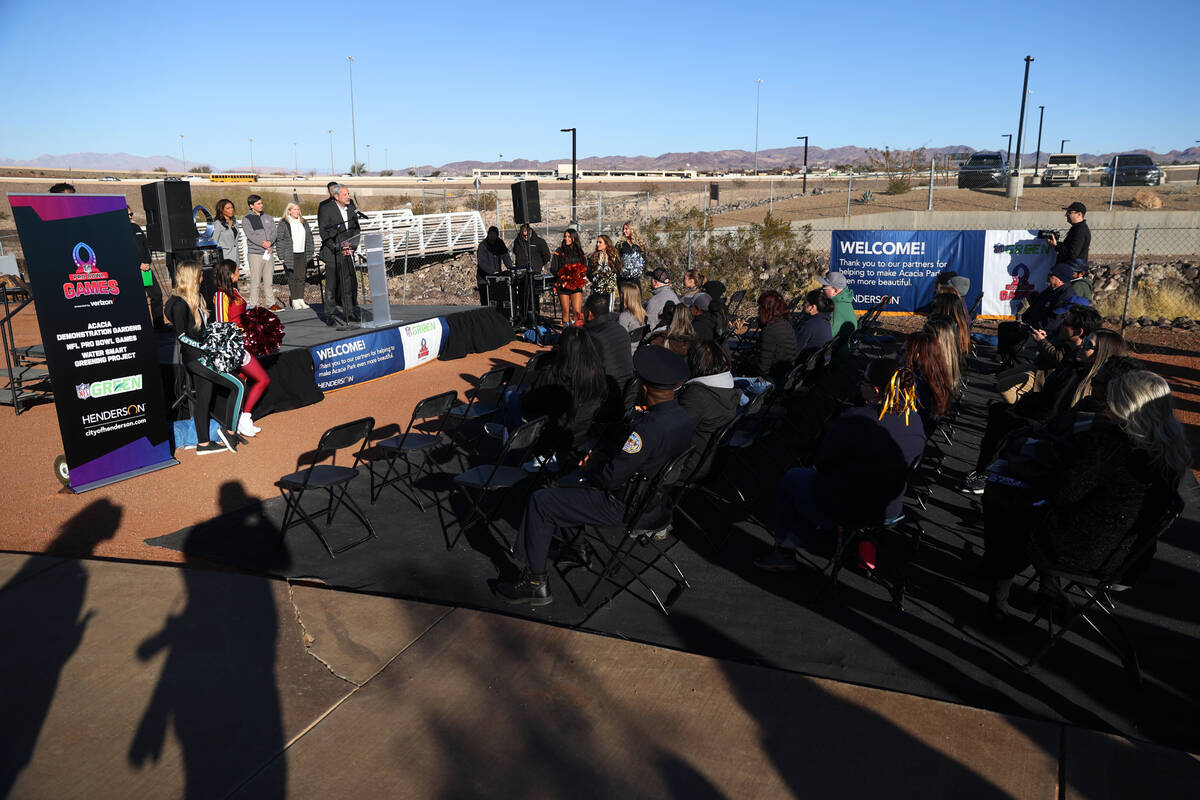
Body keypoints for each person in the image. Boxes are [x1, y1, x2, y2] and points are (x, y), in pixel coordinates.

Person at [982, 370, 1188, 620]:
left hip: (1086, 553)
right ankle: (1048, 593)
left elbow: (1062, 493)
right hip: (1129, 556)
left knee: (1004, 503)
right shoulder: (1171, 450)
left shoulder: (1111, 444)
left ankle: (998, 601)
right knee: (1047, 514)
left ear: (1125, 404)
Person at [495, 347, 694, 605]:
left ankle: (535, 582)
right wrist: (599, 460)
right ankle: (575, 548)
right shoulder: (682, 418)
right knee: (565, 484)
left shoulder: (648, 430)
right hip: (657, 502)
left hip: (625, 506)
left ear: (644, 387)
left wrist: (591, 467)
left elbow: (610, 479)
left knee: (541, 501)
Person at [755, 359, 926, 571]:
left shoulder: (855, 420)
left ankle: (784, 550)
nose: (859, 385)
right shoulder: (915, 421)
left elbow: (822, 463)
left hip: (848, 506)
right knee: (819, 483)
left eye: (863, 381)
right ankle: (800, 540)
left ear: (874, 390)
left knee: (795, 478)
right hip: (889, 508)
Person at [964, 328, 1130, 493]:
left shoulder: (1092, 383)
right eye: (1085, 341)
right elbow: (1048, 396)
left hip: (1051, 427)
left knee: (1007, 423)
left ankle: (990, 475)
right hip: (1042, 413)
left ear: (1102, 353)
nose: (1082, 345)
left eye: (1088, 345)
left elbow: (1058, 411)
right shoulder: (1072, 365)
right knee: (999, 412)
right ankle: (985, 471)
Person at [164, 262, 242, 455]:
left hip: (202, 356)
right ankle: (229, 431)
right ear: (191, 277)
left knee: (204, 399)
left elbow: (201, 329)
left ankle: (203, 444)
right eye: (199, 276)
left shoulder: (195, 298)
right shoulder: (179, 303)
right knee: (238, 385)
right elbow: (182, 336)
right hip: (196, 359)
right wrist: (205, 347)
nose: (202, 279)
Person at [521, 327, 608, 461]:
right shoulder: (598, 375)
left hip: (550, 439)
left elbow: (530, 405)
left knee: (511, 397)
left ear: (562, 349)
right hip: (581, 438)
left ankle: (511, 451)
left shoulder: (552, 375)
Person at [212, 260, 270, 437]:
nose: (239, 273)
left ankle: (238, 420)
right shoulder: (221, 295)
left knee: (242, 383)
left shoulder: (234, 292)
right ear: (229, 274)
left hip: (245, 343)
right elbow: (222, 324)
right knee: (263, 380)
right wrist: (233, 346)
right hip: (236, 347)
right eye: (237, 271)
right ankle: (245, 418)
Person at [677, 339, 740, 479]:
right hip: (713, 461)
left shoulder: (697, 395)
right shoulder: (729, 388)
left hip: (691, 465)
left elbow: (674, 434)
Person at [995, 263, 1078, 367]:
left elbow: (1054, 322)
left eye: (1052, 274)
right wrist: (1024, 322)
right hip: (1032, 325)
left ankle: (1016, 367)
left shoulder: (1065, 295)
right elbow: (1034, 308)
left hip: (1044, 332)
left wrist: (1033, 328)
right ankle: (1005, 362)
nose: (1048, 275)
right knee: (1004, 327)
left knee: (1017, 342)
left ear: (1060, 280)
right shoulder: (1050, 290)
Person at [582, 292, 637, 413]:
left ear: (588, 314)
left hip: (605, 401)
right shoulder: (620, 329)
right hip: (626, 394)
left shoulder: (592, 337)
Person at [317, 185, 361, 325]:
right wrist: (336, 247)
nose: (348, 196)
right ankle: (329, 315)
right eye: (345, 194)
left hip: (347, 252)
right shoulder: (326, 209)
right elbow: (324, 231)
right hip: (332, 252)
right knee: (331, 285)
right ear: (336, 196)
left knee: (346, 285)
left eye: (348, 193)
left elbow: (356, 229)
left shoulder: (352, 208)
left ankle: (349, 312)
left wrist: (352, 247)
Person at [904, 330, 953, 428]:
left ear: (917, 355)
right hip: (925, 428)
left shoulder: (914, 382)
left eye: (904, 351)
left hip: (911, 427)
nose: (901, 354)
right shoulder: (937, 374)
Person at [240, 194, 279, 310]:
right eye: (258, 204)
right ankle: (254, 305)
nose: (261, 205)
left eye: (262, 203)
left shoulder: (268, 217)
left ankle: (271, 303)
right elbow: (250, 235)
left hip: (268, 252)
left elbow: (274, 232)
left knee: (268, 280)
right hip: (255, 253)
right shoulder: (247, 219)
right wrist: (264, 244)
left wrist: (270, 243)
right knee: (255, 281)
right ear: (252, 206)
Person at [274, 202, 314, 309]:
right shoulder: (284, 223)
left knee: (301, 276)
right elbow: (280, 240)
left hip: (302, 253)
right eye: (294, 209)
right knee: (292, 277)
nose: (297, 212)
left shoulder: (303, 222)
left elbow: (309, 237)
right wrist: (281, 255)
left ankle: (301, 299)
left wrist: (311, 251)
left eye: (298, 209)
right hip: (290, 254)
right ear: (289, 211)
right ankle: (295, 300)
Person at [753, 290, 798, 385]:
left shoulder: (769, 331)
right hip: (786, 373)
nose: (758, 310)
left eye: (760, 307)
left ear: (766, 309)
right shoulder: (786, 324)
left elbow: (763, 368)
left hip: (773, 380)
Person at [129, 206, 163, 329]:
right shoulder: (118, 230)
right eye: (127, 214)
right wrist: (138, 264)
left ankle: (159, 325)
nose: (130, 216)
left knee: (157, 295)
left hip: (146, 269)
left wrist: (148, 262)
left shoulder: (136, 228)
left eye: (131, 213)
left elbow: (146, 246)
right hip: (132, 270)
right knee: (137, 300)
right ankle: (141, 327)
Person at [550, 229, 588, 326]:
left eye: (569, 236)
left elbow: (584, 266)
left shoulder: (579, 251)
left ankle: (576, 333)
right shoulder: (559, 251)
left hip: (576, 285)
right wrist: (562, 275)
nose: (566, 239)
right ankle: (566, 332)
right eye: (565, 236)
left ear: (574, 237)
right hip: (563, 286)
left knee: (577, 311)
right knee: (565, 311)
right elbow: (553, 268)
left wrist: (579, 275)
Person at [819, 271, 857, 350]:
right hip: (843, 348)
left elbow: (828, 335)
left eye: (824, 287)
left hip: (837, 354)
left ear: (835, 291)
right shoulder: (844, 301)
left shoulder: (836, 307)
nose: (822, 290)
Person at [476, 226, 513, 307]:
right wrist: (492, 272)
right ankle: (485, 316)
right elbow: (482, 262)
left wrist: (511, 268)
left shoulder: (500, 243)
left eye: (494, 234)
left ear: (497, 235)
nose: (492, 236)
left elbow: (506, 256)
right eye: (491, 234)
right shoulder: (483, 245)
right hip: (484, 277)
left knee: (496, 299)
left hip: (496, 276)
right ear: (488, 234)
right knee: (485, 300)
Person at [794, 289, 833, 358]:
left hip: (802, 365)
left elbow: (794, 351)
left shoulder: (810, 325)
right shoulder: (825, 322)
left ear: (812, 307)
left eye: (805, 302)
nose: (803, 305)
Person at [617, 280, 648, 348]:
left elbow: (620, 341)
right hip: (640, 351)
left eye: (622, 294)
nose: (620, 296)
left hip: (627, 353)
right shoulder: (644, 314)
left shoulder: (624, 317)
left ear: (626, 297)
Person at [212, 199, 241, 268]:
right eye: (228, 208)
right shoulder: (217, 224)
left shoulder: (235, 223)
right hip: (224, 258)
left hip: (235, 257)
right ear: (221, 210)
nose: (231, 210)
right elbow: (214, 241)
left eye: (232, 207)